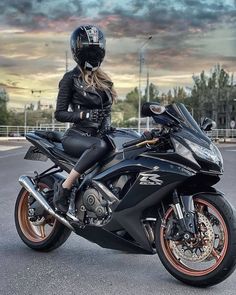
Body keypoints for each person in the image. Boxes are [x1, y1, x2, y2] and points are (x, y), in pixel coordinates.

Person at [53, 25, 117, 213]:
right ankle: (65, 188)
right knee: (100, 146)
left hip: (98, 134)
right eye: (90, 50)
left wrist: (110, 128)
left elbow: (107, 111)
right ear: (78, 51)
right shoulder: (70, 78)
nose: (94, 54)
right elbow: (59, 113)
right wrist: (84, 115)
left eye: (97, 50)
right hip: (76, 136)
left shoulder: (103, 80)